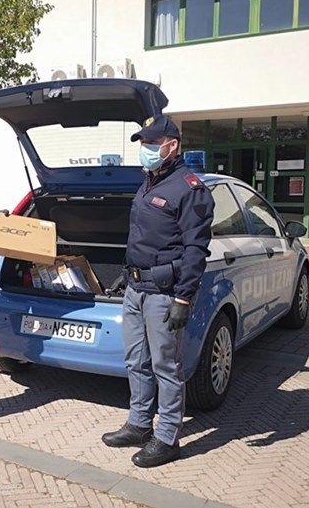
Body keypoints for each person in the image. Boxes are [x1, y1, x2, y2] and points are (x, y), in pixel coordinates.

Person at [101, 114, 214, 468]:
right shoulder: (149, 182)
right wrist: (126, 274)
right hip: (136, 288)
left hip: (166, 293)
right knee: (136, 360)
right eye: (144, 145)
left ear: (172, 145)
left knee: (166, 366)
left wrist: (184, 297)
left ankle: (167, 437)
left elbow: (196, 250)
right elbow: (142, 237)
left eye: (152, 145)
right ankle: (138, 423)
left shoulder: (190, 189)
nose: (146, 151)